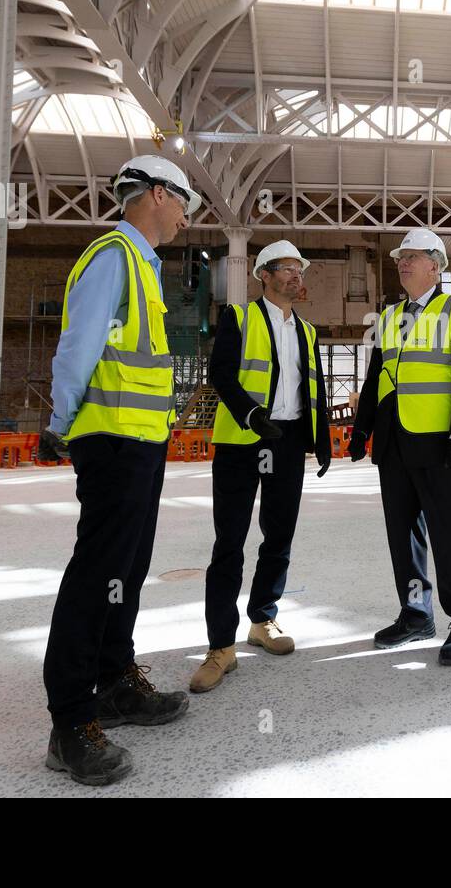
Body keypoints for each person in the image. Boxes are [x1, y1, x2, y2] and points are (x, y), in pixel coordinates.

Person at [39, 154, 199, 786]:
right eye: (184, 200)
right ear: (157, 194)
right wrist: (60, 419)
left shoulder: (144, 266)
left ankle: (114, 681)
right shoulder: (114, 257)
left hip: (140, 443)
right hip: (109, 441)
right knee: (97, 572)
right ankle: (70, 722)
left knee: (126, 569)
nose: (187, 215)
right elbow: (79, 344)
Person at [190, 240, 332, 694]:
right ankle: (219, 646)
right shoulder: (239, 317)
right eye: (287, 269)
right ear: (264, 275)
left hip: (288, 441)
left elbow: (316, 389)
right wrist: (252, 416)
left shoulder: (307, 332)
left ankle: (262, 619)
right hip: (241, 441)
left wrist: (322, 439)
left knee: (279, 535)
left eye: (299, 269)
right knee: (229, 541)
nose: (296, 276)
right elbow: (222, 375)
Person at [349, 227, 451, 665]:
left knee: (450, 533)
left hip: (439, 442)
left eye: (411, 256)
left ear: (436, 265)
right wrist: (360, 429)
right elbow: (376, 379)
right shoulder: (389, 317)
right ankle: (415, 615)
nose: (402, 263)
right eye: (399, 258)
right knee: (403, 534)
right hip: (394, 443)